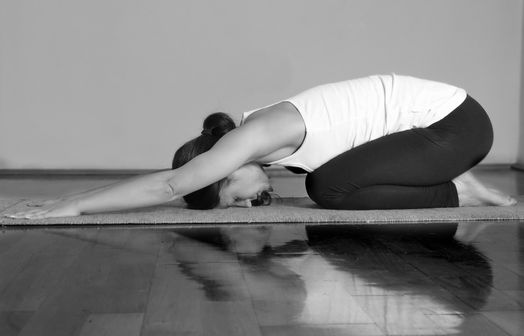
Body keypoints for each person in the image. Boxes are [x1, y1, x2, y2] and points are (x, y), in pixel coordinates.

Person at [6, 73, 517, 219]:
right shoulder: (266, 139)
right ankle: (446, 177)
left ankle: (455, 192)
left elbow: (168, 185)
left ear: (222, 168)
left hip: (456, 126)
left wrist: (71, 204)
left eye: (236, 198)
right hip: (443, 129)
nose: (254, 203)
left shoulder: (254, 136)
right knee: (333, 179)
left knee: (330, 188)